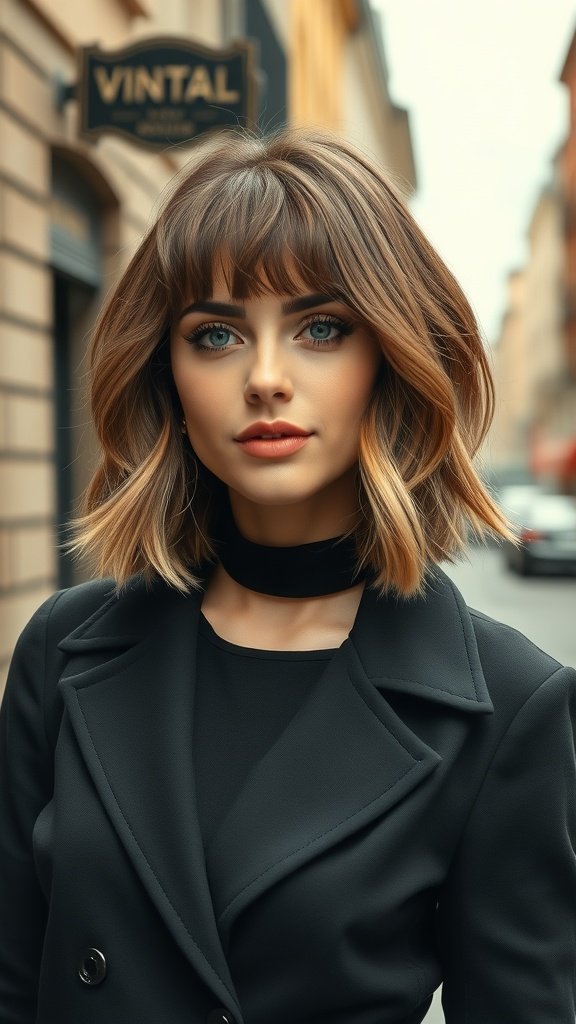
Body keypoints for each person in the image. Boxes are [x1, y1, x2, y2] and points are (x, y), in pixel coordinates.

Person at [1, 128, 575, 1024]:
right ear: (168, 371)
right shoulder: (62, 652)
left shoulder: (508, 708)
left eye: (320, 328)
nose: (266, 379)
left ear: (388, 356)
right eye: (218, 333)